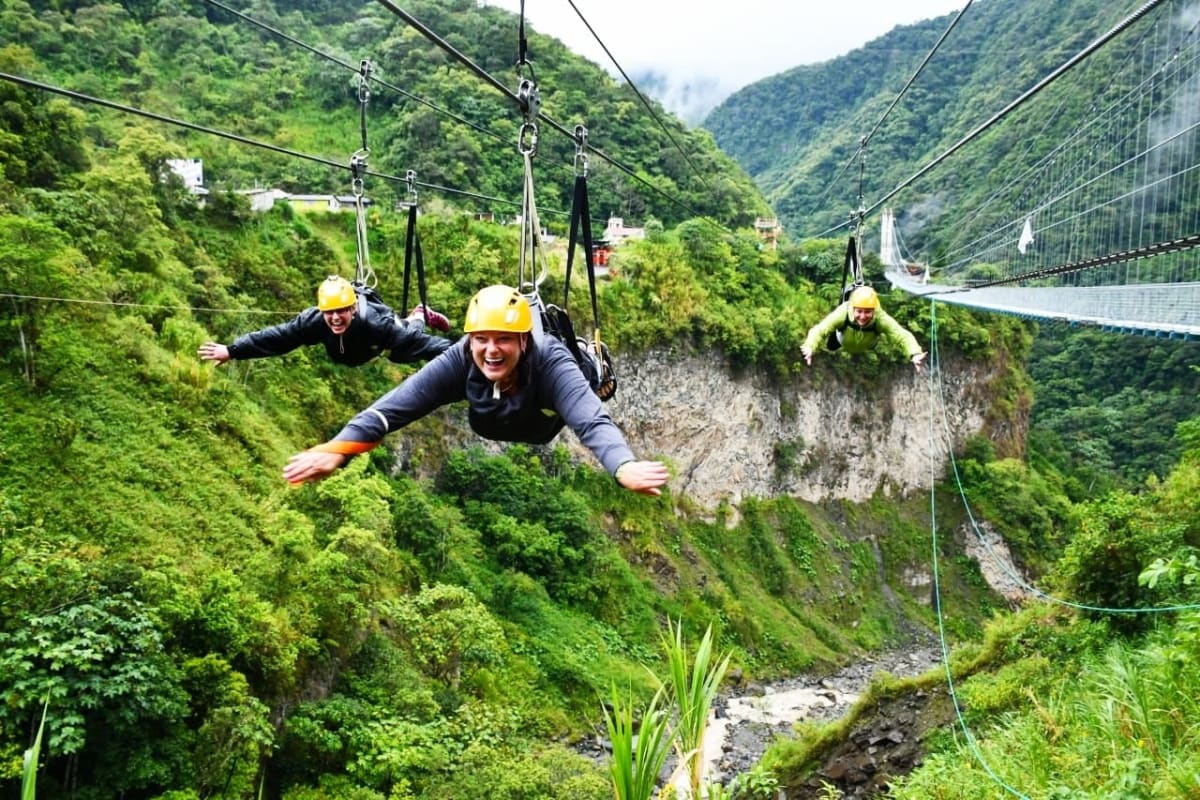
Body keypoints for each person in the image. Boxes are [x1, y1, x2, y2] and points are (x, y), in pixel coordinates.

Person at [283, 284, 669, 495]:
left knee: (580, 375)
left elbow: (591, 420)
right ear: (468, 340)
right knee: (480, 393)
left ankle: (588, 357)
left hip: (541, 412)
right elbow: (389, 410)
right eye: (481, 338)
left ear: (523, 341)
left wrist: (622, 465)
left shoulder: (548, 362)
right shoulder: (462, 358)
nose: (490, 349)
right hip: (493, 415)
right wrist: (337, 450)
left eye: (503, 339)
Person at [197, 275, 453, 368]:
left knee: (406, 348)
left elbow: (425, 344)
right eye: (329, 312)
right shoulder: (314, 322)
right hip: (350, 353)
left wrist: (470, 354)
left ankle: (420, 313)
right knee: (405, 345)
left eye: (341, 311)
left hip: (378, 344)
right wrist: (232, 350)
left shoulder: (375, 323)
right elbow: (277, 338)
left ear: (352, 308)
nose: (335, 318)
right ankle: (419, 314)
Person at [801, 286, 926, 372]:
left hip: (868, 343)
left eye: (867, 312)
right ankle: (835, 338)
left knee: (877, 340)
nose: (862, 316)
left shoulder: (880, 318)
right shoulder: (843, 313)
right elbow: (820, 329)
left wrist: (914, 353)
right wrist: (810, 346)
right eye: (859, 311)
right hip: (843, 339)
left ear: (873, 311)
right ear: (853, 308)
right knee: (831, 345)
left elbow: (901, 335)